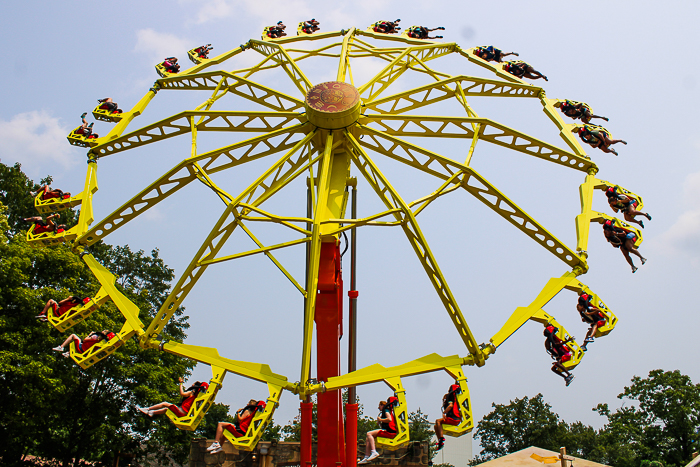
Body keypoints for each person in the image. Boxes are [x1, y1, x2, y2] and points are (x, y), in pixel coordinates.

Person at [137, 377, 209, 418]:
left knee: (164, 403)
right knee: (166, 409)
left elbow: (182, 393)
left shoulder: (192, 393)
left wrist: (181, 383)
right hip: (184, 413)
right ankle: (152, 412)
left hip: (182, 411)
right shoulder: (198, 398)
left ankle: (147, 409)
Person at [358, 398, 398, 464]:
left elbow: (389, 419)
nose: (378, 408)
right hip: (388, 431)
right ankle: (366, 457)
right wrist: (380, 422)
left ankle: (374, 452)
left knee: (369, 434)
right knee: (368, 438)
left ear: (382, 405)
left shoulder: (386, 410)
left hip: (389, 432)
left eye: (379, 406)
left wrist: (380, 420)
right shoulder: (385, 411)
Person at [433, 383, 462, 450]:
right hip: (457, 419)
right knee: (435, 426)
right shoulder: (457, 398)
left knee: (438, 421)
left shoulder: (450, 396)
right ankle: (440, 441)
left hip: (453, 419)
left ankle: (441, 438)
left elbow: (450, 406)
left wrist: (444, 412)